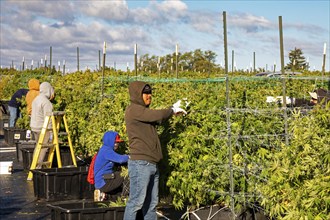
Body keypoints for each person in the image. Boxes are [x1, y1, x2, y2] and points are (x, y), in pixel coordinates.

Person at [123, 81, 187, 220]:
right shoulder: (134, 110)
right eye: (145, 93)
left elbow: (157, 118)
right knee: (136, 203)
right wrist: (172, 110)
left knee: (151, 204)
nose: (148, 95)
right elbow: (157, 115)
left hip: (151, 164)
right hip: (141, 164)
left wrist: (171, 110)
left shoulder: (142, 113)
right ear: (137, 95)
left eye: (150, 92)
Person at [94, 131, 130, 201]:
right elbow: (120, 159)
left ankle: (104, 196)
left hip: (102, 180)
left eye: (118, 142)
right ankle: (125, 198)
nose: (117, 144)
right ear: (110, 141)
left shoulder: (104, 150)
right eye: (116, 142)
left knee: (119, 193)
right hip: (104, 181)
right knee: (127, 175)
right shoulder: (107, 151)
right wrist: (130, 157)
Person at [30, 82, 55, 168]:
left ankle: (33, 165)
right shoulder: (46, 102)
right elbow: (48, 117)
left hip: (34, 126)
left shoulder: (36, 99)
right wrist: (51, 130)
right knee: (43, 148)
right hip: (42, 128)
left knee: (37, 147)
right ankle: (38, 167)